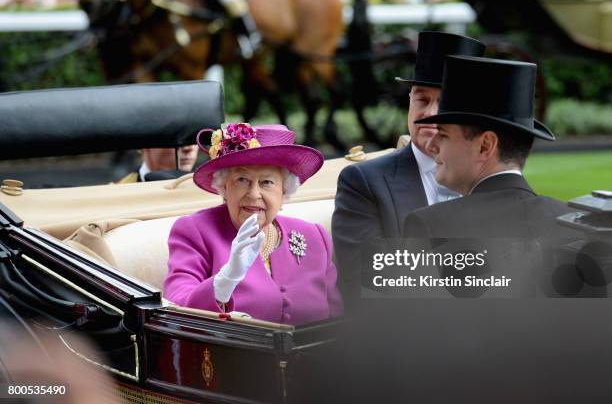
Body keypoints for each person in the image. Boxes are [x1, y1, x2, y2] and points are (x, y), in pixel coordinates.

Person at [332, 31, 485, 298]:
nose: (428, 113)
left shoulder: (489, 177)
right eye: (422, 100)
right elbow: (364, 286)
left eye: (444, 102)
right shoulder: (365, 182)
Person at [164, 123, 343, 325]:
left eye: (267, 182)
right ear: (224, 187)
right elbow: (176, 308)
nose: (254, 194)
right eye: (242, 179)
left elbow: (337, 320)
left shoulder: (314, 236)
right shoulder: (195, 231)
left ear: (284, 190)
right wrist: (225, 281)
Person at [402, 55, 578, 240]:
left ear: (485, 146)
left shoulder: (431, 225)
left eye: (444, 134)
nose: (432, 144)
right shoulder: (571, 222)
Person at [115, 145, 198, 183]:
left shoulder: (206, 192)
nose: (189, 148)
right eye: (171, 137)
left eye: (193, 137)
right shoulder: (117, 196)